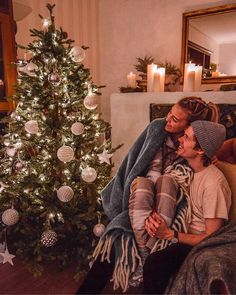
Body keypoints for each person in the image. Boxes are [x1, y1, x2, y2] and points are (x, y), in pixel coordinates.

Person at [76, 97, 217, 294]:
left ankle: (146, 258)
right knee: (116, 233)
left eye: (175, 120)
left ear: (189, 126)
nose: (168, 119)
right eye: (169, 113)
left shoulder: (194, 148)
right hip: (141, 198)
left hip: (172, 207)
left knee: (162, 188)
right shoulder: (157, 128)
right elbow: (134, 161)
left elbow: (185, 185)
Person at [143, 120, 231, 294]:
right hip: (178, 226)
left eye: (187, 137)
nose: (180, 140)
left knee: (154, 264)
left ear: (200, 150)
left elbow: (210, 237)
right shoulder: (186, 170)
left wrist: (170, 234)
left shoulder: (213, 183)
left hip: (195, 242)